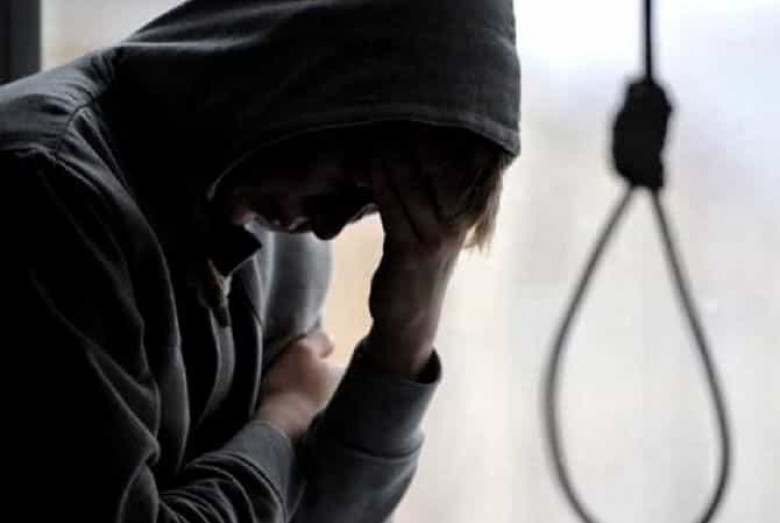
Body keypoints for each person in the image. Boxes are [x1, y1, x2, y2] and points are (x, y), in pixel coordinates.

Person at [8, 0, 520, 521]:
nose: (327, 226)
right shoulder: (49, 192)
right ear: (308, 66)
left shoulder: (285, 233)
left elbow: (311, 512)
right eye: (349, 178)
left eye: (371, 207)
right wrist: (284, 418)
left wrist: (403, 339)